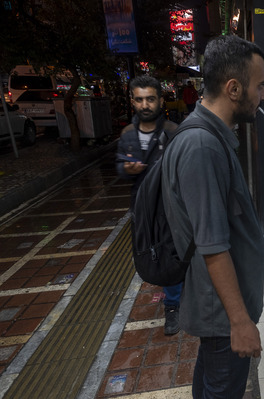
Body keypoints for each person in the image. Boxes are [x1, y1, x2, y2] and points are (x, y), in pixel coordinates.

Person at [161, 35, 264, 398]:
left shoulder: (209, 136)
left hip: (219, 310)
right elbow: (212, 244)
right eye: (260, 86)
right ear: (234, 88)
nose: (263, 96)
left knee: (210, 386)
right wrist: (240, 322)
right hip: (223, 316)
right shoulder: (202, 146)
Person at [116, 75, 183, 336]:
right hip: (142, 208)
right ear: (132, 101)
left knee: (170, 252)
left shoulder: (173, 131)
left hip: (169, 208)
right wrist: (127, 168)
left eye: (150, 99)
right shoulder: (127, 134)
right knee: (149, 252)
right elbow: (120, 168)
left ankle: (173, 304)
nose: (145, 105)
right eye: (140, 99)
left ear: (160, 100)